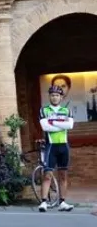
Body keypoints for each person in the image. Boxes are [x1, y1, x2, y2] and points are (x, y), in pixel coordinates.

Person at [38, 79, 75, 212]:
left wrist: (53, 122)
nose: (55, 97)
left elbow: (70, 125)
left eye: (57, 95)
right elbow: (45, 127)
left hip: (63, 146)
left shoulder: (67, 110)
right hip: (51, 146)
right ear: (49, 96)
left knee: (63, 174)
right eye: (52, 95)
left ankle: (62, 202)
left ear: (61, 97)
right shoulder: (44, 110)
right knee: (47, 174)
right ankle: (43, 202)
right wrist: (60, 123)